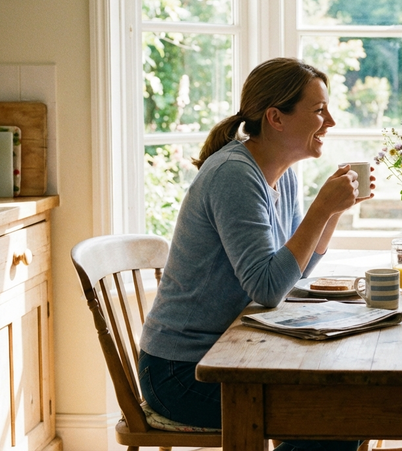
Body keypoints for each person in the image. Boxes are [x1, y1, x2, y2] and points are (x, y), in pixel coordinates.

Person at [139, 57, 369, 451]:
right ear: (276, 118)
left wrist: (330, 212)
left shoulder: (284, 173)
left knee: (348, 406)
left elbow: (291, 271)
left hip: (234, 356)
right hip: (183, 373)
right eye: (318, 110)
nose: (330, 121)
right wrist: (319, 209)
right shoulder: (234, 174)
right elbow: (267, 288)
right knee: (339, 418)